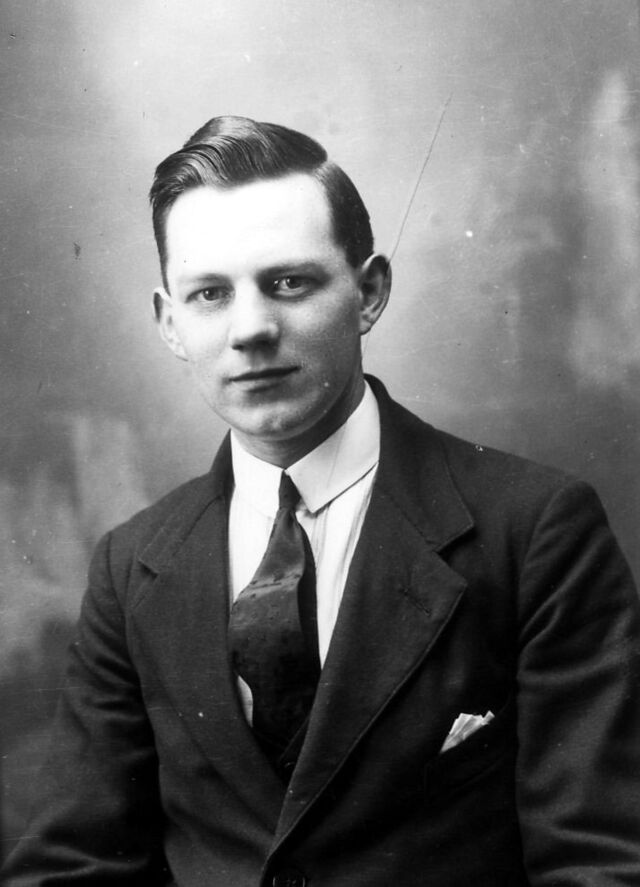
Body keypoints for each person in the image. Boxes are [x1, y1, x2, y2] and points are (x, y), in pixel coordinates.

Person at [3, 115, 640, 887]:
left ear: (368, 293)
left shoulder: (533, 530)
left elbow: (601, 864)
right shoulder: (132, 564)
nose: (251, 330)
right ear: (170, 323)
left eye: (289, 283)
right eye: (210, 294)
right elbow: (71, 865)